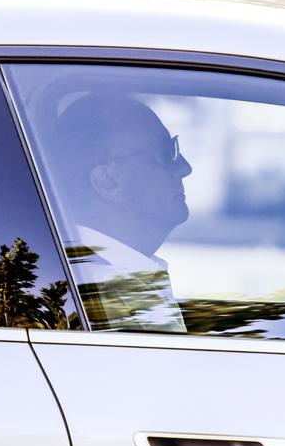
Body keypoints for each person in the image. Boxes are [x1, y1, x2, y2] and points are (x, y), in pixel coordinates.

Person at [52, 94, 192, 332]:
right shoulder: (98, 296)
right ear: (108, 181)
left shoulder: (99, 277)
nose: (185, 168)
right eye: (165, 154)